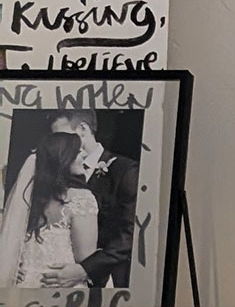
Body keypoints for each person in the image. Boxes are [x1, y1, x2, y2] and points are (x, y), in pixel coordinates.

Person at [49, 110, 139, 293]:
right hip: (58, 280)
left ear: (83, 128)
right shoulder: (56, 175)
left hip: (107, 282)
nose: (58, 144)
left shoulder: (125, 171)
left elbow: (130, 234)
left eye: (62, 136)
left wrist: (85, 269)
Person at [0, 130, 99, 293]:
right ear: (63, 158)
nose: (84, 154)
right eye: (77, 151)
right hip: (62, 290)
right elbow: (85, 259)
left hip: (24, 289)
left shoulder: (28, 199)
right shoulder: (82, 199)